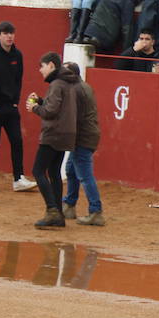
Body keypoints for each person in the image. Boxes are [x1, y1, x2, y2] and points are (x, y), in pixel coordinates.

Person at [0, 21, 36, 194]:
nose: (9, 36)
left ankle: (18, 179)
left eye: (11, 33)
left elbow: (18, 79)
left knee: (17, 141)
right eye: (5, 33)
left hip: (11, 107)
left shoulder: (17, 55)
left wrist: (15, 101)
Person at [26, 51, 80, 228]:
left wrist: (35, 107)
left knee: (38, 171)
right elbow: (56, 107)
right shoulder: (69, 83)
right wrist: (41, 101)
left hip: (53, 133)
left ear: (50, 65)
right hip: (66, 133)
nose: (40, 70)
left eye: (42, 66)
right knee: (54, 172)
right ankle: (58, 214)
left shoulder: (57, 84)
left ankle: (52, 211)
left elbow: (51, 111)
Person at [62, 63, 104, 226]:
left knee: (85, 175)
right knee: (71, 169)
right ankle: (69, 205)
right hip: (86, 134)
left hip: (83, 136)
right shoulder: (83, 87)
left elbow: (71, 115)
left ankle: (95, 211)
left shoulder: (76, 90)